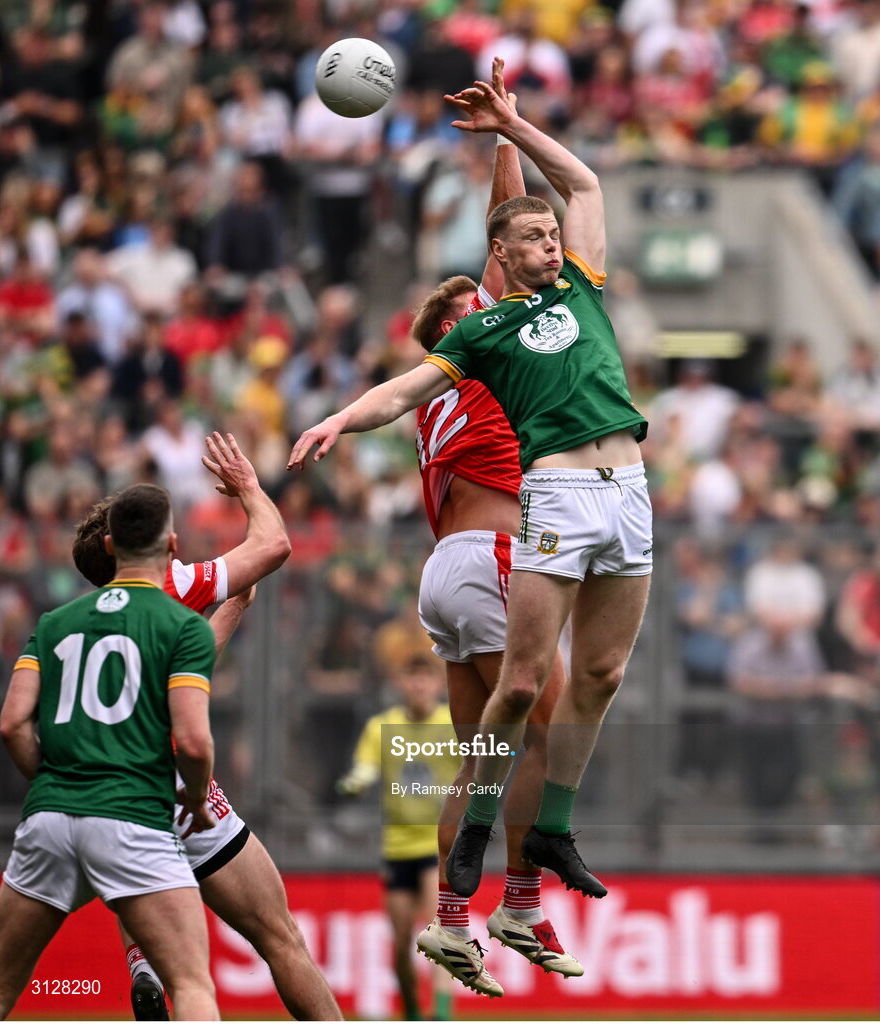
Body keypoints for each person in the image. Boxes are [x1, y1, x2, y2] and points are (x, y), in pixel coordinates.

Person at [288, 68, 651, 903]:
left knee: (599, 680)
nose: (549, 243)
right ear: (498, 263)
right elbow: (406, 389)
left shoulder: (583, 288)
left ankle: (520, 858)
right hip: (551, 498)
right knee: (526, 691)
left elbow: (574, 186)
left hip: (626, 492)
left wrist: (510, 127)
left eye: (552, 236)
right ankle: (492, 855)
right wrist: (339, 419)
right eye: (530, 240)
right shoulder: (486, 335)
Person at [407, 61, 583, 995]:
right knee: (542, 740)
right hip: (494, 560)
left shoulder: (439, 395)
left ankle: (450, 923)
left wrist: (501, 140)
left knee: (482, 757)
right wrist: (506, 137)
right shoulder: (476, 353)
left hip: (447, 568)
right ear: (454, 325)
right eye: (475, 299)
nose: (493, 297)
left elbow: (497, 251)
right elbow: (505, 245)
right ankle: (517, 899)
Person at [71, 433, 342, 1022]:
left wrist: (237, 608)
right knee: (278, 939)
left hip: (104, 792)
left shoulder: (73, 624)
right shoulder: (172, 586)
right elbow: (273, 545)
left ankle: (139, 954)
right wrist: (247, 486)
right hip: (174, 783)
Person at [0, 484, 219, 1021]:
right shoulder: (181, 626)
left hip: (47, 819)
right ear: (173, 543)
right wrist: (199, 798)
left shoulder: (53, 623)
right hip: (132, 816)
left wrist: (55, 780)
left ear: (108, 546)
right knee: (191, 985)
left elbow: (12, 724)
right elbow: (196, 741)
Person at [338, 655, 460, 1021]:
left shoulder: (452, 726)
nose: (419, 686)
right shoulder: (382, 726)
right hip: (396, 848)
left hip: (436, 846)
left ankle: (441, 1014)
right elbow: (366, 764)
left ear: (438, 685)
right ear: (401, 683)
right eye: (412, 677)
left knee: (440, 935)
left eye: (426, 679)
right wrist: (356, 782)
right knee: (402, 944)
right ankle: (411, 1012)